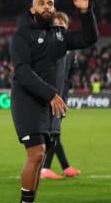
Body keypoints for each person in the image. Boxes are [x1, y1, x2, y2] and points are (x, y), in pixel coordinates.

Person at [10, 0, 98, 203]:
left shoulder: (59, 35)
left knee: (41, 158)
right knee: (37, 154)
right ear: (32, 10)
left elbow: (90, 38)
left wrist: (85, 12)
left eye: (50, 3)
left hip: (50, 104)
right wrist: (52, 94)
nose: (47, 6)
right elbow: (22, 71)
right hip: (27, 101)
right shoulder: (22, 35)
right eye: (41, 3)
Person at [40, 11, 81, 179]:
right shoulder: (46, 47)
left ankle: (63, 167)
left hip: (62, 96)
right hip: (49, 96)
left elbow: (70, 75)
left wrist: (65, 97)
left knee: (54, 132)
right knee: (52, 132)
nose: (59, 28)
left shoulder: (71, 50)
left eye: (62, 26)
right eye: (56, 25)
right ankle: (45, 168)